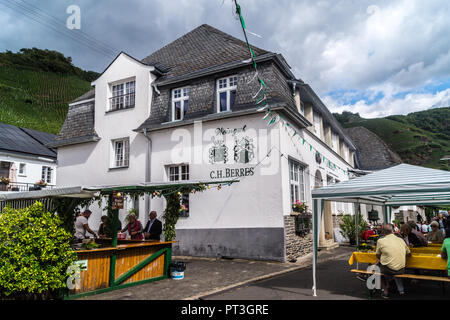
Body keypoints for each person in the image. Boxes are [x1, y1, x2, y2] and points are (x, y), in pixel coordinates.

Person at [375, 224, 411, 298]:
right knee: (390, 265)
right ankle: (400, 289)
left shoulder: (380, 241)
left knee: (376, 270)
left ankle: (385, 290)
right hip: (401, 269)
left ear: (383, 232)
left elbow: (378, 255)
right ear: (393, 231)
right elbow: (409, 254)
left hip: (389, 270)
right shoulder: (401, 240)